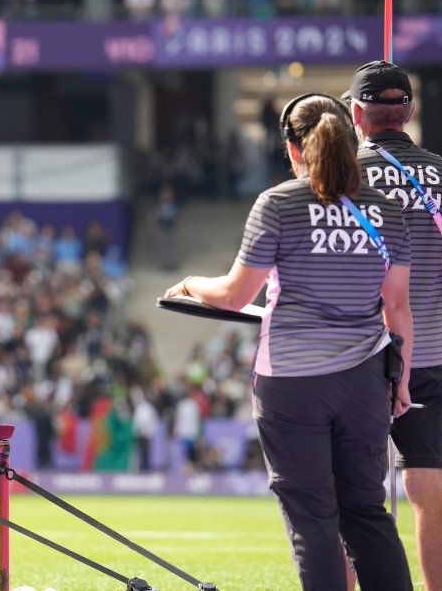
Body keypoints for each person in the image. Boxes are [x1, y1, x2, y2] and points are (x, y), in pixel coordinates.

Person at [164, 93, 415, 590]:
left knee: (313, 518)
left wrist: (191, 283)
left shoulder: (277, 204)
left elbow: (236, 295)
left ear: (292, 147)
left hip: (292, 383)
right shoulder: (386, 210)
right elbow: (398, 308)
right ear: (350, 141)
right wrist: (401, 382)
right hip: (365, 381)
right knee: (366, 511)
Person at [348, 60, 442, 591]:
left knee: (351, 491)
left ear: (356, 114)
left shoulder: (339, 172)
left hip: (355, 354)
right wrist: (423, 285)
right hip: (426, 353)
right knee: (426, 485)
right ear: (410, 113)